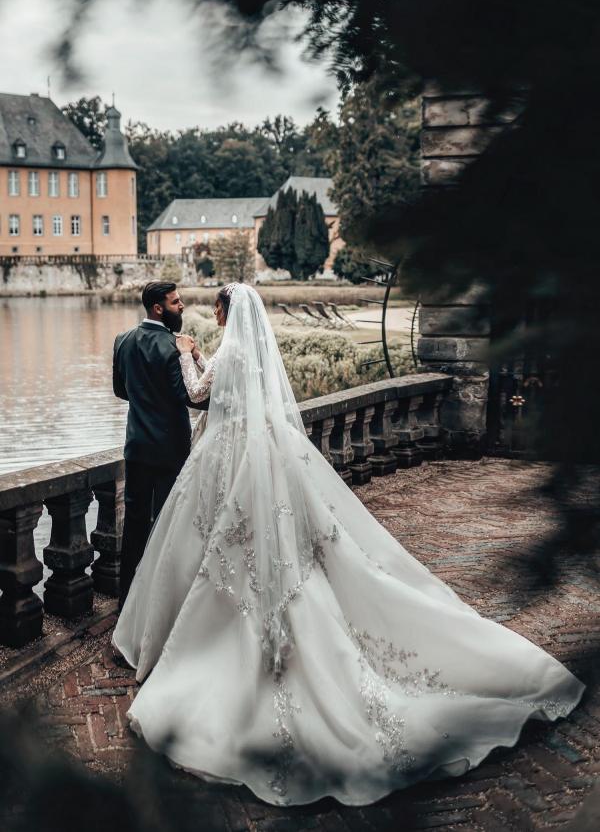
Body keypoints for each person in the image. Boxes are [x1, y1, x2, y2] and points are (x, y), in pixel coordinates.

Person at [113, 282, 584, 807]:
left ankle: (217, 637)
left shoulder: (221, 352)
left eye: (217, 309)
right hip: (267, 450)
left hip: (224, 455)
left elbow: (198, 395)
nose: (210, 314)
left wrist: (190, 357)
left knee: (218, 540)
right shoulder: (255, 352)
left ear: (228, 313)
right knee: (291, 542)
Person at [112, 280, 208, 608]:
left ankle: (128, 601)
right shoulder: (173, 347)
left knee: (134, 526)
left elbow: (121, 391)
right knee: (168, 525)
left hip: (137, 447)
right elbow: (192, 399)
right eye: (175, 302)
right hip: (171, 451)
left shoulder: (122, 341)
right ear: (158, 308)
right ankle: (162, 603)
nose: (181, 306)